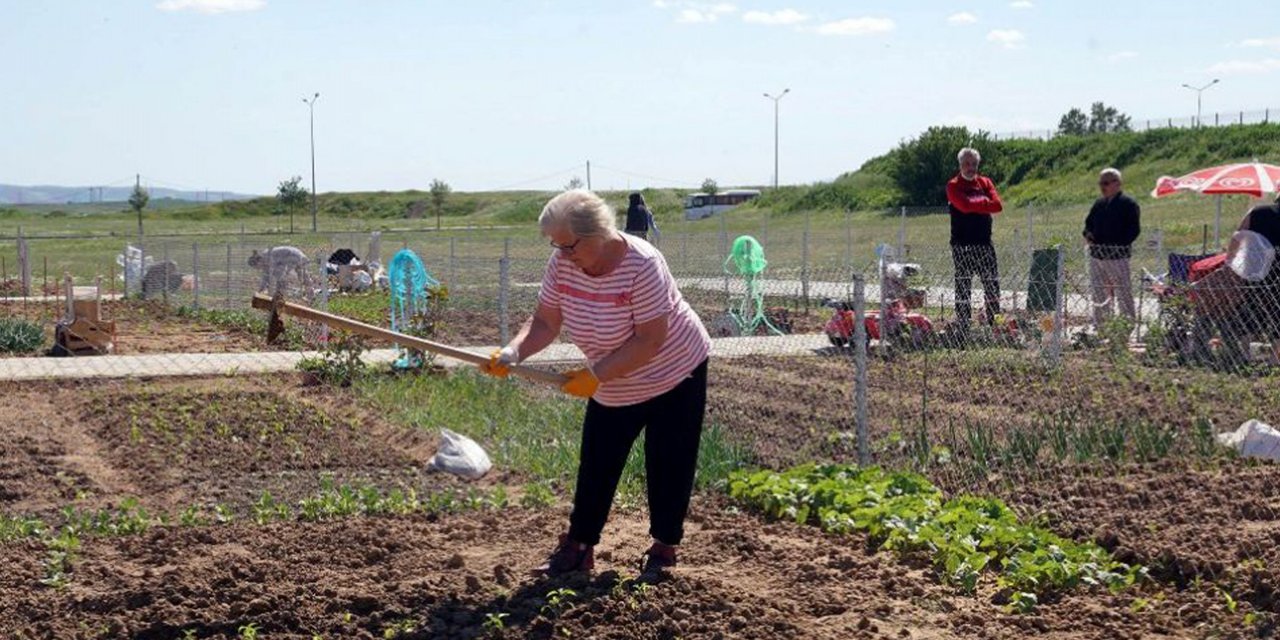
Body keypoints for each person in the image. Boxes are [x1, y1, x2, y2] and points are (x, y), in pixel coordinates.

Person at [478, 189, 711, 577]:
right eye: (556, 246)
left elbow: (649, 340)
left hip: (674, 372)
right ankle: (579, 547)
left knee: (669, 460)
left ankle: (664, 550)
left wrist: (595, 375)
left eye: (568, 246)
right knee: (598, 462)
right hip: (613, 378)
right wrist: (514, 352)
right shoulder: (563, 263)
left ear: (596, 234)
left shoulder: (643, 265)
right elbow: (546, 322)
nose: (562, 254)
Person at [945, 147, 1002, 331]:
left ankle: (995, 321)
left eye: (974, 164)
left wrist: (975, 205)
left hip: (985, 243)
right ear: (960, 165)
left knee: (992, 283)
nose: (971, 167)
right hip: (962, 245)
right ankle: (963, 323)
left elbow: (998, 205)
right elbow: (964, 206)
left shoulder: (985, 182)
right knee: (963, 284)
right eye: (967, 164)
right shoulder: (953, 185)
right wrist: (985, 204)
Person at [1083, 167, 1141, 328]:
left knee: (1123, 291)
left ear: (1118, 183)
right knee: (1098, 290)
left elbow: (1133, 230)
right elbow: (1088, 224)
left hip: (1117, 256)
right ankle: (1101, 325)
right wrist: (1088, 235)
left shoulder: (1128, 204)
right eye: (1101, 183)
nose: (1103, 186)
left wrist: (1118, 246)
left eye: (1106, 183)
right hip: (1097, 255)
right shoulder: (1099, 204)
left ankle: (1126, 324)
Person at [1229, 195, 1280, 363]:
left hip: (1256, 270)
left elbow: (1238, 237)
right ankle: (1275, 358)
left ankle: (1245, 355)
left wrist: (1230, 261)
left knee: (1252, 308)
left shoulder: (1257, 212)